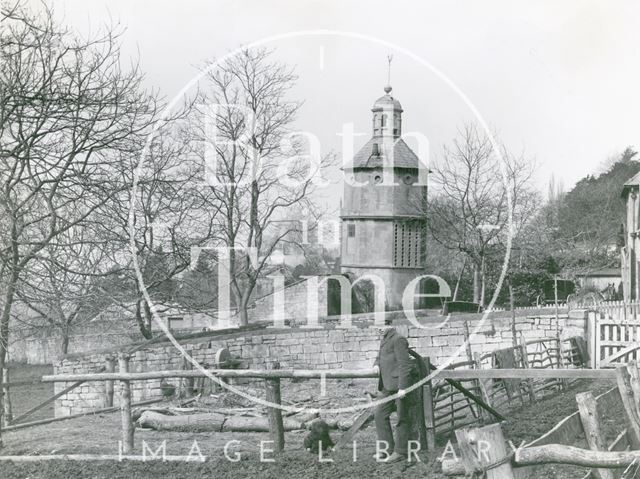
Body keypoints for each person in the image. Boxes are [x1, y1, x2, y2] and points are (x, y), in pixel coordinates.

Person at [372, 318, 414, 463]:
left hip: (398, 387)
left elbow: (405, 365)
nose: (378, 329)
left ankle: (400, 452)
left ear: (389, 325)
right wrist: (376, 364)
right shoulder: (384, 339)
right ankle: (386, 450)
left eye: (381, 326)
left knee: (401, 418)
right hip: (386, 386)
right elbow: (380, 356)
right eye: (376, 326)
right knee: (379, 415)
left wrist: (403, 387)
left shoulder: (398, 339)